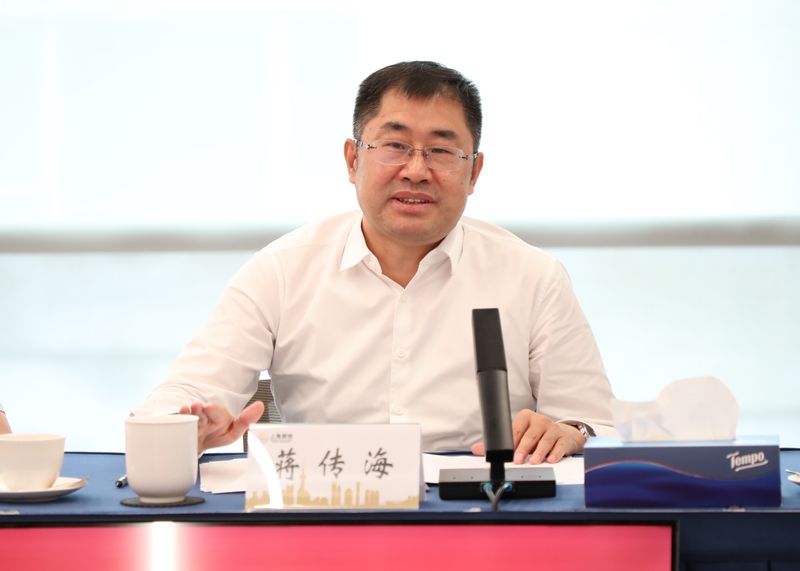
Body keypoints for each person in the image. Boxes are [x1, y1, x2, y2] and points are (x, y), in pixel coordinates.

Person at [134, 61, 615, 464]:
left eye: (442, 151)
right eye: (394, 146)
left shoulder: (534, 277)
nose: (416, 170)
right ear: (352, 160)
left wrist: (570, 431)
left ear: (474, 172)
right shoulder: (281, 271)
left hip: (479, 510)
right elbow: (188, 390)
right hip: (328, 508)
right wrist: (185, 424)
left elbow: (595, 422)